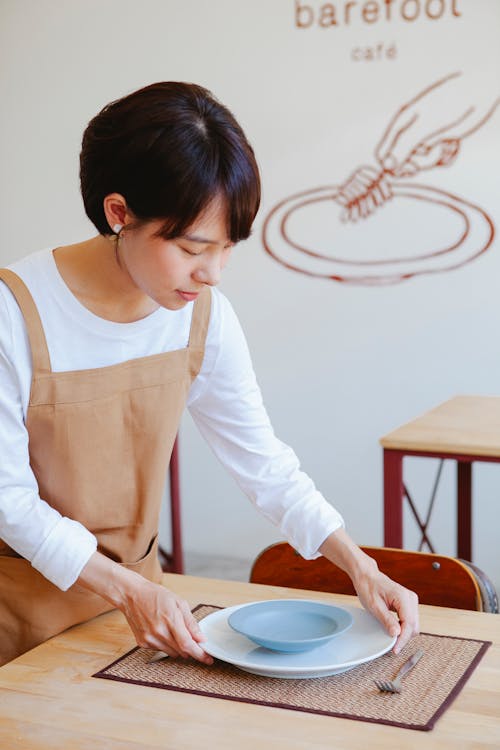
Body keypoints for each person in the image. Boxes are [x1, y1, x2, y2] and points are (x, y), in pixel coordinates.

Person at [0, 82, 418, 667]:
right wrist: (128, 589)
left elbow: (261, 460)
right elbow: (8, 500)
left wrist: (359, 565)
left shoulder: (200, 314)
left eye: (226, 248)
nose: (213, 273)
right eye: (194, 248)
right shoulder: (14, 313)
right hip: (23, 619)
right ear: (118, 213)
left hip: (140, 615)